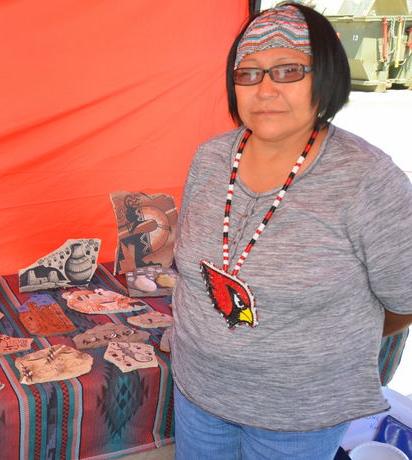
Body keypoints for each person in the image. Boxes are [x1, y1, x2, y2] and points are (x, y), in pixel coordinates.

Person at [171, 3, 412, 459]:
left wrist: (317, 344)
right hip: (200, 392)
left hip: (298, 413)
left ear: (325, 77)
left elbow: (407, 300)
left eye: (288, 70)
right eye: (249, 73)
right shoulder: (210, 158)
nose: (264, 90)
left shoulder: (367, 180)